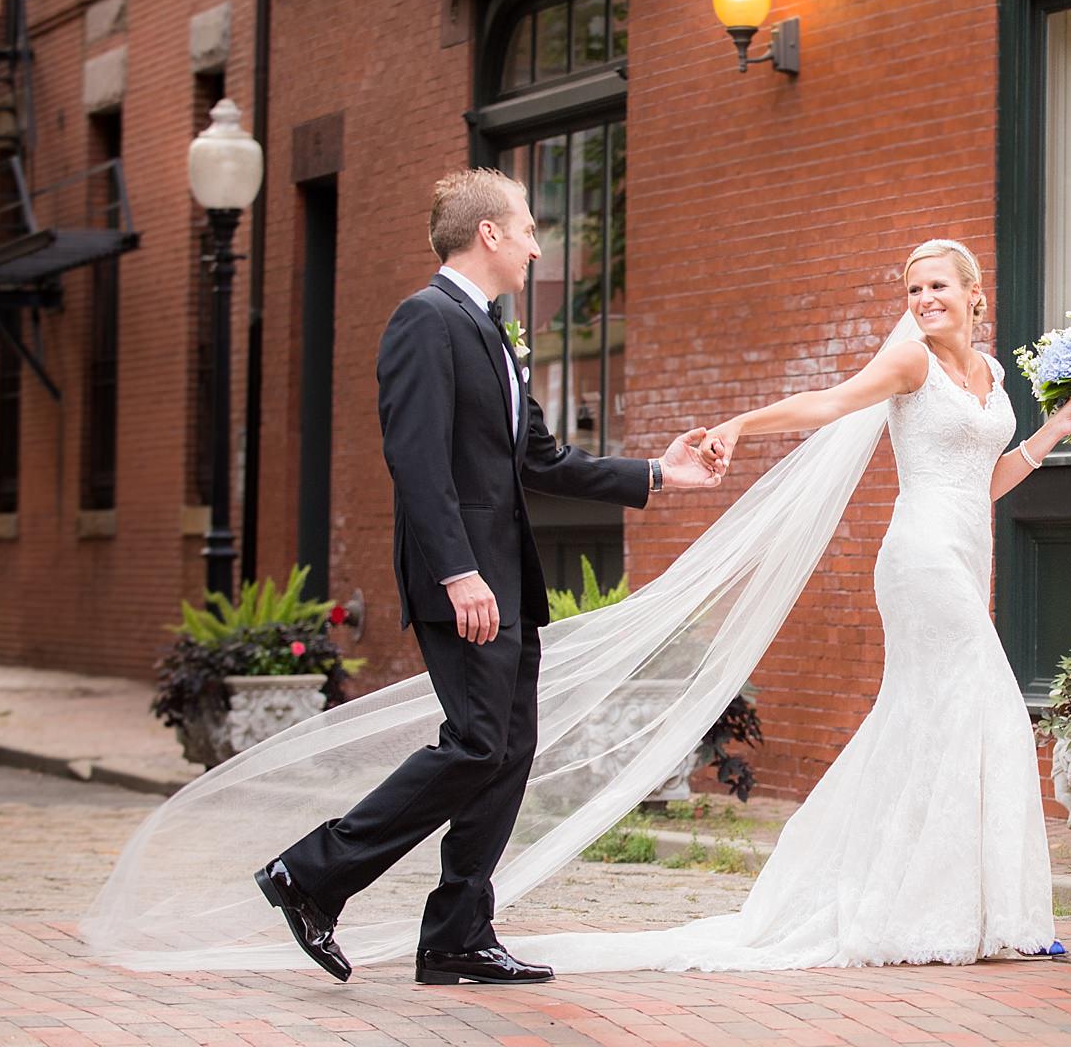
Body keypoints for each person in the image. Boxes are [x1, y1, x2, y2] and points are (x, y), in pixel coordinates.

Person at [500, 238, 1071, 973]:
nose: (923, 301)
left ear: (975, 295)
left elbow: (986, 484)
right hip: (921, 559)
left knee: (934, 720)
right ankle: (974, 912)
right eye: (913, 290)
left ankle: (972, 908)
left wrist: (1051, 433)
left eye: (937, 286)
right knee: (990, 706)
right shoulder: (912, 363)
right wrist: (740, 426)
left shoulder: (995, 376)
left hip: (969, 557)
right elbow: (831, 402)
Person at [252, 168, 724, 986]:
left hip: (506, 582)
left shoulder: (494, 333)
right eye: (530, 229)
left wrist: (659, 474)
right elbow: (417, 462)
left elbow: (540, 459)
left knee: (505, 752)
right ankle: (312, 873)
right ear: (491, 235)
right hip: (465, 582)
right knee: (476, 742)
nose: (540, 245)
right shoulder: (424, 321)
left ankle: (458, 937)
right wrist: (459, 574)